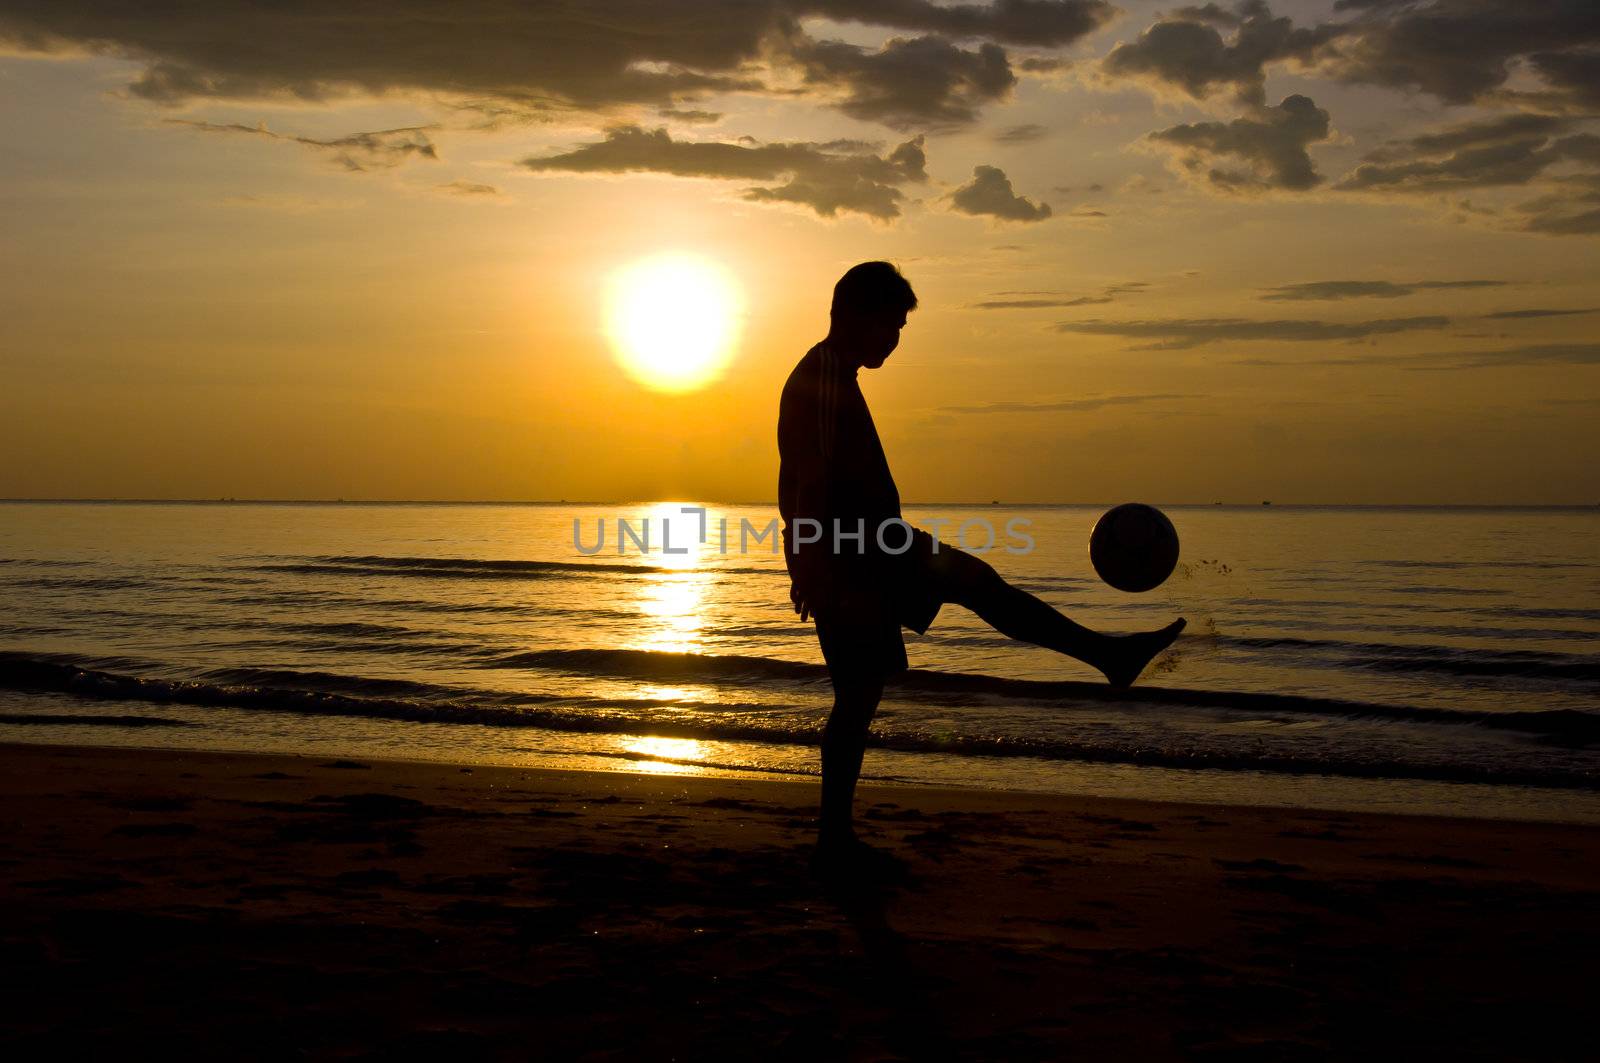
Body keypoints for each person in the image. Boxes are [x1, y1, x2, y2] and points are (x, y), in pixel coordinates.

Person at [777, 261, 1185, 873]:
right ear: (860, 315)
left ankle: (1109, 657)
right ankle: (832, 842)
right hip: (859, 555)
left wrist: (805, 556)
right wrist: (809, 566)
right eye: (892, 324)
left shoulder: (829, 373)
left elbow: (799, 478)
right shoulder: (825, 378)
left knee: (902, 657)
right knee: (873, 683)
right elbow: (807, 480)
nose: (896, 339)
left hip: (871, 546)